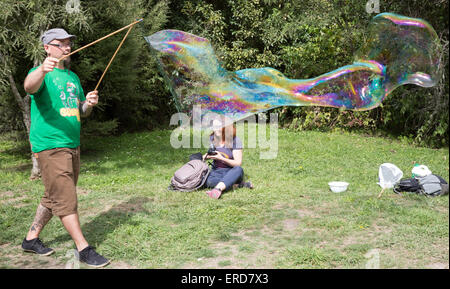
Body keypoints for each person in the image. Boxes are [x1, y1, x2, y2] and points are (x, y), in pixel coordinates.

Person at [22, 28, 109, 268]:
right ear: (47, 48)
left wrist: (89, 104)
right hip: (51, 145)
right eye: (60, 44)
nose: (67, 48)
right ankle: (84, 249)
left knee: (54, 195)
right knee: (66, 198)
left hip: (72, 144)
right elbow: (29, 88)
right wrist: (41, 69)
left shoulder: (72, 78)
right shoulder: (41, 74)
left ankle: (31, 238)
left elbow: (80, 110)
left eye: (68, 43)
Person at [203, 120, 253, 199]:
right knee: (207, 181)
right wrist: (207, 156)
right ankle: (238, 185)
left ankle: (217, 189)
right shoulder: (212, 138)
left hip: (231, 171)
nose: (217, 129)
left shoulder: (235, 140)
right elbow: (213, 152)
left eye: (219, 127)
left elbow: (238, 163)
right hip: (217, 171)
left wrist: (221, 158)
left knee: (238, 169)